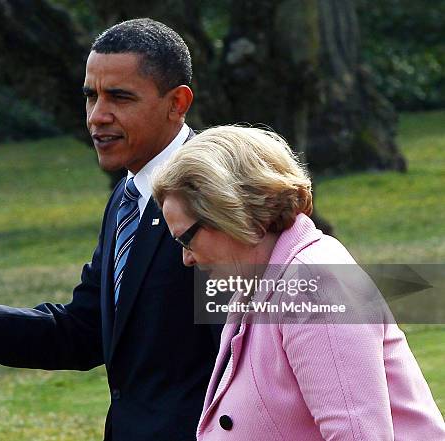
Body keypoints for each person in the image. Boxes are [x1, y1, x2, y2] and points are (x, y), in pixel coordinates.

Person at [0, 19, 220, 441]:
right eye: (90, 96)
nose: (97, 116)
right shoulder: (127, 196)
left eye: (119, 97)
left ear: (177, 103)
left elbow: (274, 346)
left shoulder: (219, 194)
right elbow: (85, 332)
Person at [152, 125, 445, 440]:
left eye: (186, 240)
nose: (187, 259)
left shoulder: (314, 280)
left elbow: (357, 435)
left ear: (230, 211)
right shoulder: (262, 283)